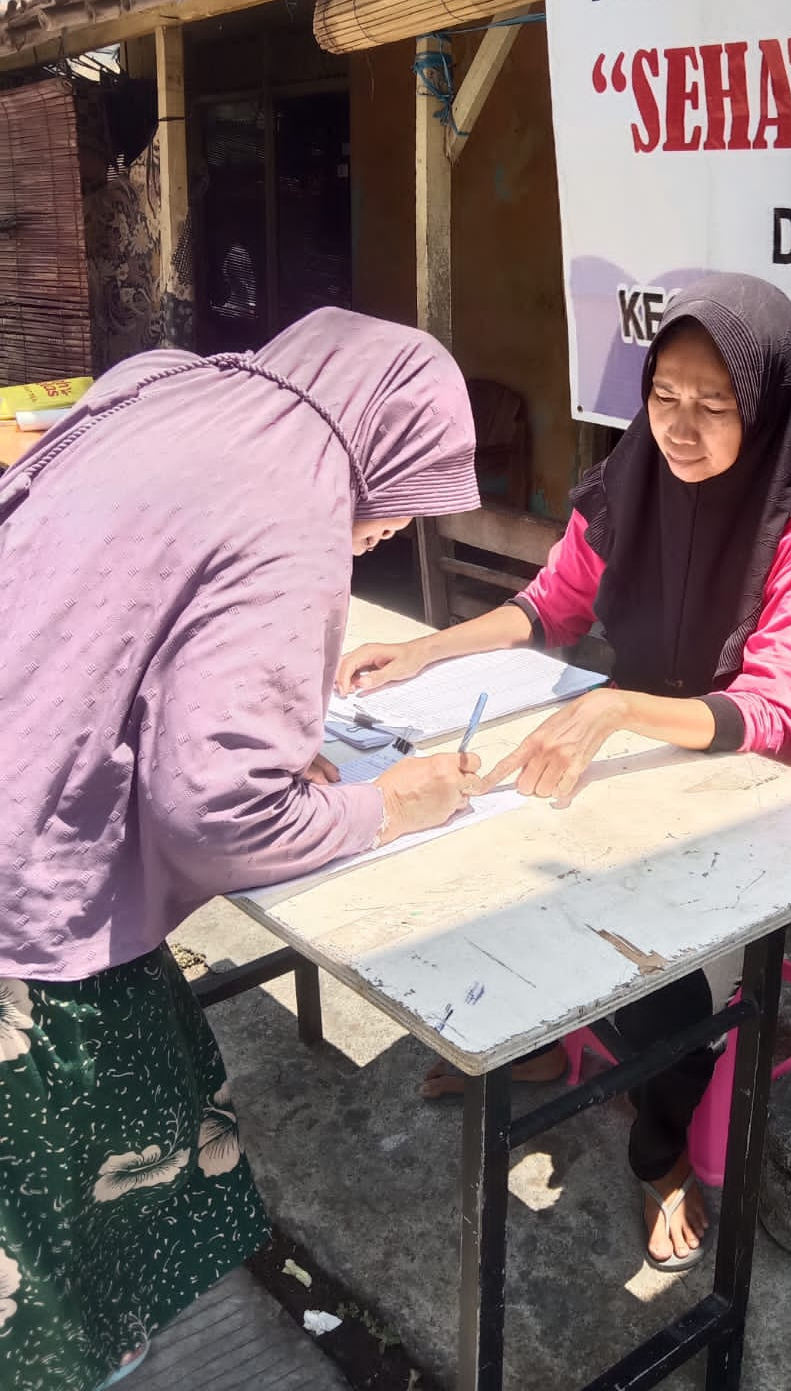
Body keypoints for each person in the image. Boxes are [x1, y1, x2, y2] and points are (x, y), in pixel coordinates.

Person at [336, 273, 791, 1271]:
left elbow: (779, 701)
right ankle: (538, 1044)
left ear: (765, 406)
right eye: (665, 394)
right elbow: (554, 604)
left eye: (716, 403)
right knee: (493, 855)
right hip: (637, 752)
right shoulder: (631, 479)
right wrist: (430, 648)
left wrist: (614, 705)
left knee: (665, 964)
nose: (682, 423)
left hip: (768, 789)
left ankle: (659, 1152)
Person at [0, 308, 484, 1390]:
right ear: (383, 438)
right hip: (22, 913)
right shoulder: (296, 495)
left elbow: (118, 612)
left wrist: (257, 743)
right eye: (408, 502)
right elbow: (216, 816)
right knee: (72, 1235)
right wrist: (394, 806)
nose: (396, 531)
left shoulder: (168, 385)